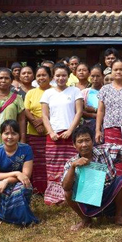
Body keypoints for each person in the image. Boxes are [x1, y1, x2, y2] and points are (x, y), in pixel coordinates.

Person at [62, 127, 122, 231]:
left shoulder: (105, 151)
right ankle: (86, 220)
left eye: (87, 140)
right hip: (88, 202)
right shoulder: (71, 162)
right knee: (68, 193)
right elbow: (65, 187)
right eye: (80, 141)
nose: (84, 144)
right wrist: (73, 167)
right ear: (74, 145)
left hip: (110, 197)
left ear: (93, 141)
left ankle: (119, 217)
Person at [40, 63, 84, 205]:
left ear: (68, 76)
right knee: (54, 166)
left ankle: (71, 196)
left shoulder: (75, 91)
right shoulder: (48, 93)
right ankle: (55, 197)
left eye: (64, 75)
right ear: (53, 77)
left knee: (71, 165)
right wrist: (51, 132)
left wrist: (70, 130)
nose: (61, 78)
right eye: (58, 75)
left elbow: (79, 112)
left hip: (71, 135)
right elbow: (45, 116)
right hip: (54, 136)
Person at [0, 120, 39, 226]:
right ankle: (17, 215)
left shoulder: (26, 149)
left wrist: (6, 180)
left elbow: (25, 176)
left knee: (23, 188)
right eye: (6, 133)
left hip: (18, 182)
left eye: (14, 133)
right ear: (1, 135)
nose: (10, 137)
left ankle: (0, 214)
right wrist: (16, 173)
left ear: (19, 135)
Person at [23, 66, 52, 194]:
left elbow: (56, 109)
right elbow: (26, 110)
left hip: (50, 132)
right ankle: (36, 189)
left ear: (50, 77)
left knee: (48, 161)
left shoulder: (55, 91)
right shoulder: (31, 93)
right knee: (36, 161)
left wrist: (41, 121)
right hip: (33, 133)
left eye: (44, 75)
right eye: (39, 75)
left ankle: (49, 188)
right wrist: (36, 123)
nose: (41, 78)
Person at [81, 65, 103, 129]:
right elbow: (80, 110)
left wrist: (95, 110)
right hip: (87, 124)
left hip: (104, 123)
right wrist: (92, 115)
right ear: (89, 76)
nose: (95, 79)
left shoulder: (107, 92)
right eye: (93, 76)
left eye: (98, 76)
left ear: (102, 76)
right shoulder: (84, 92)